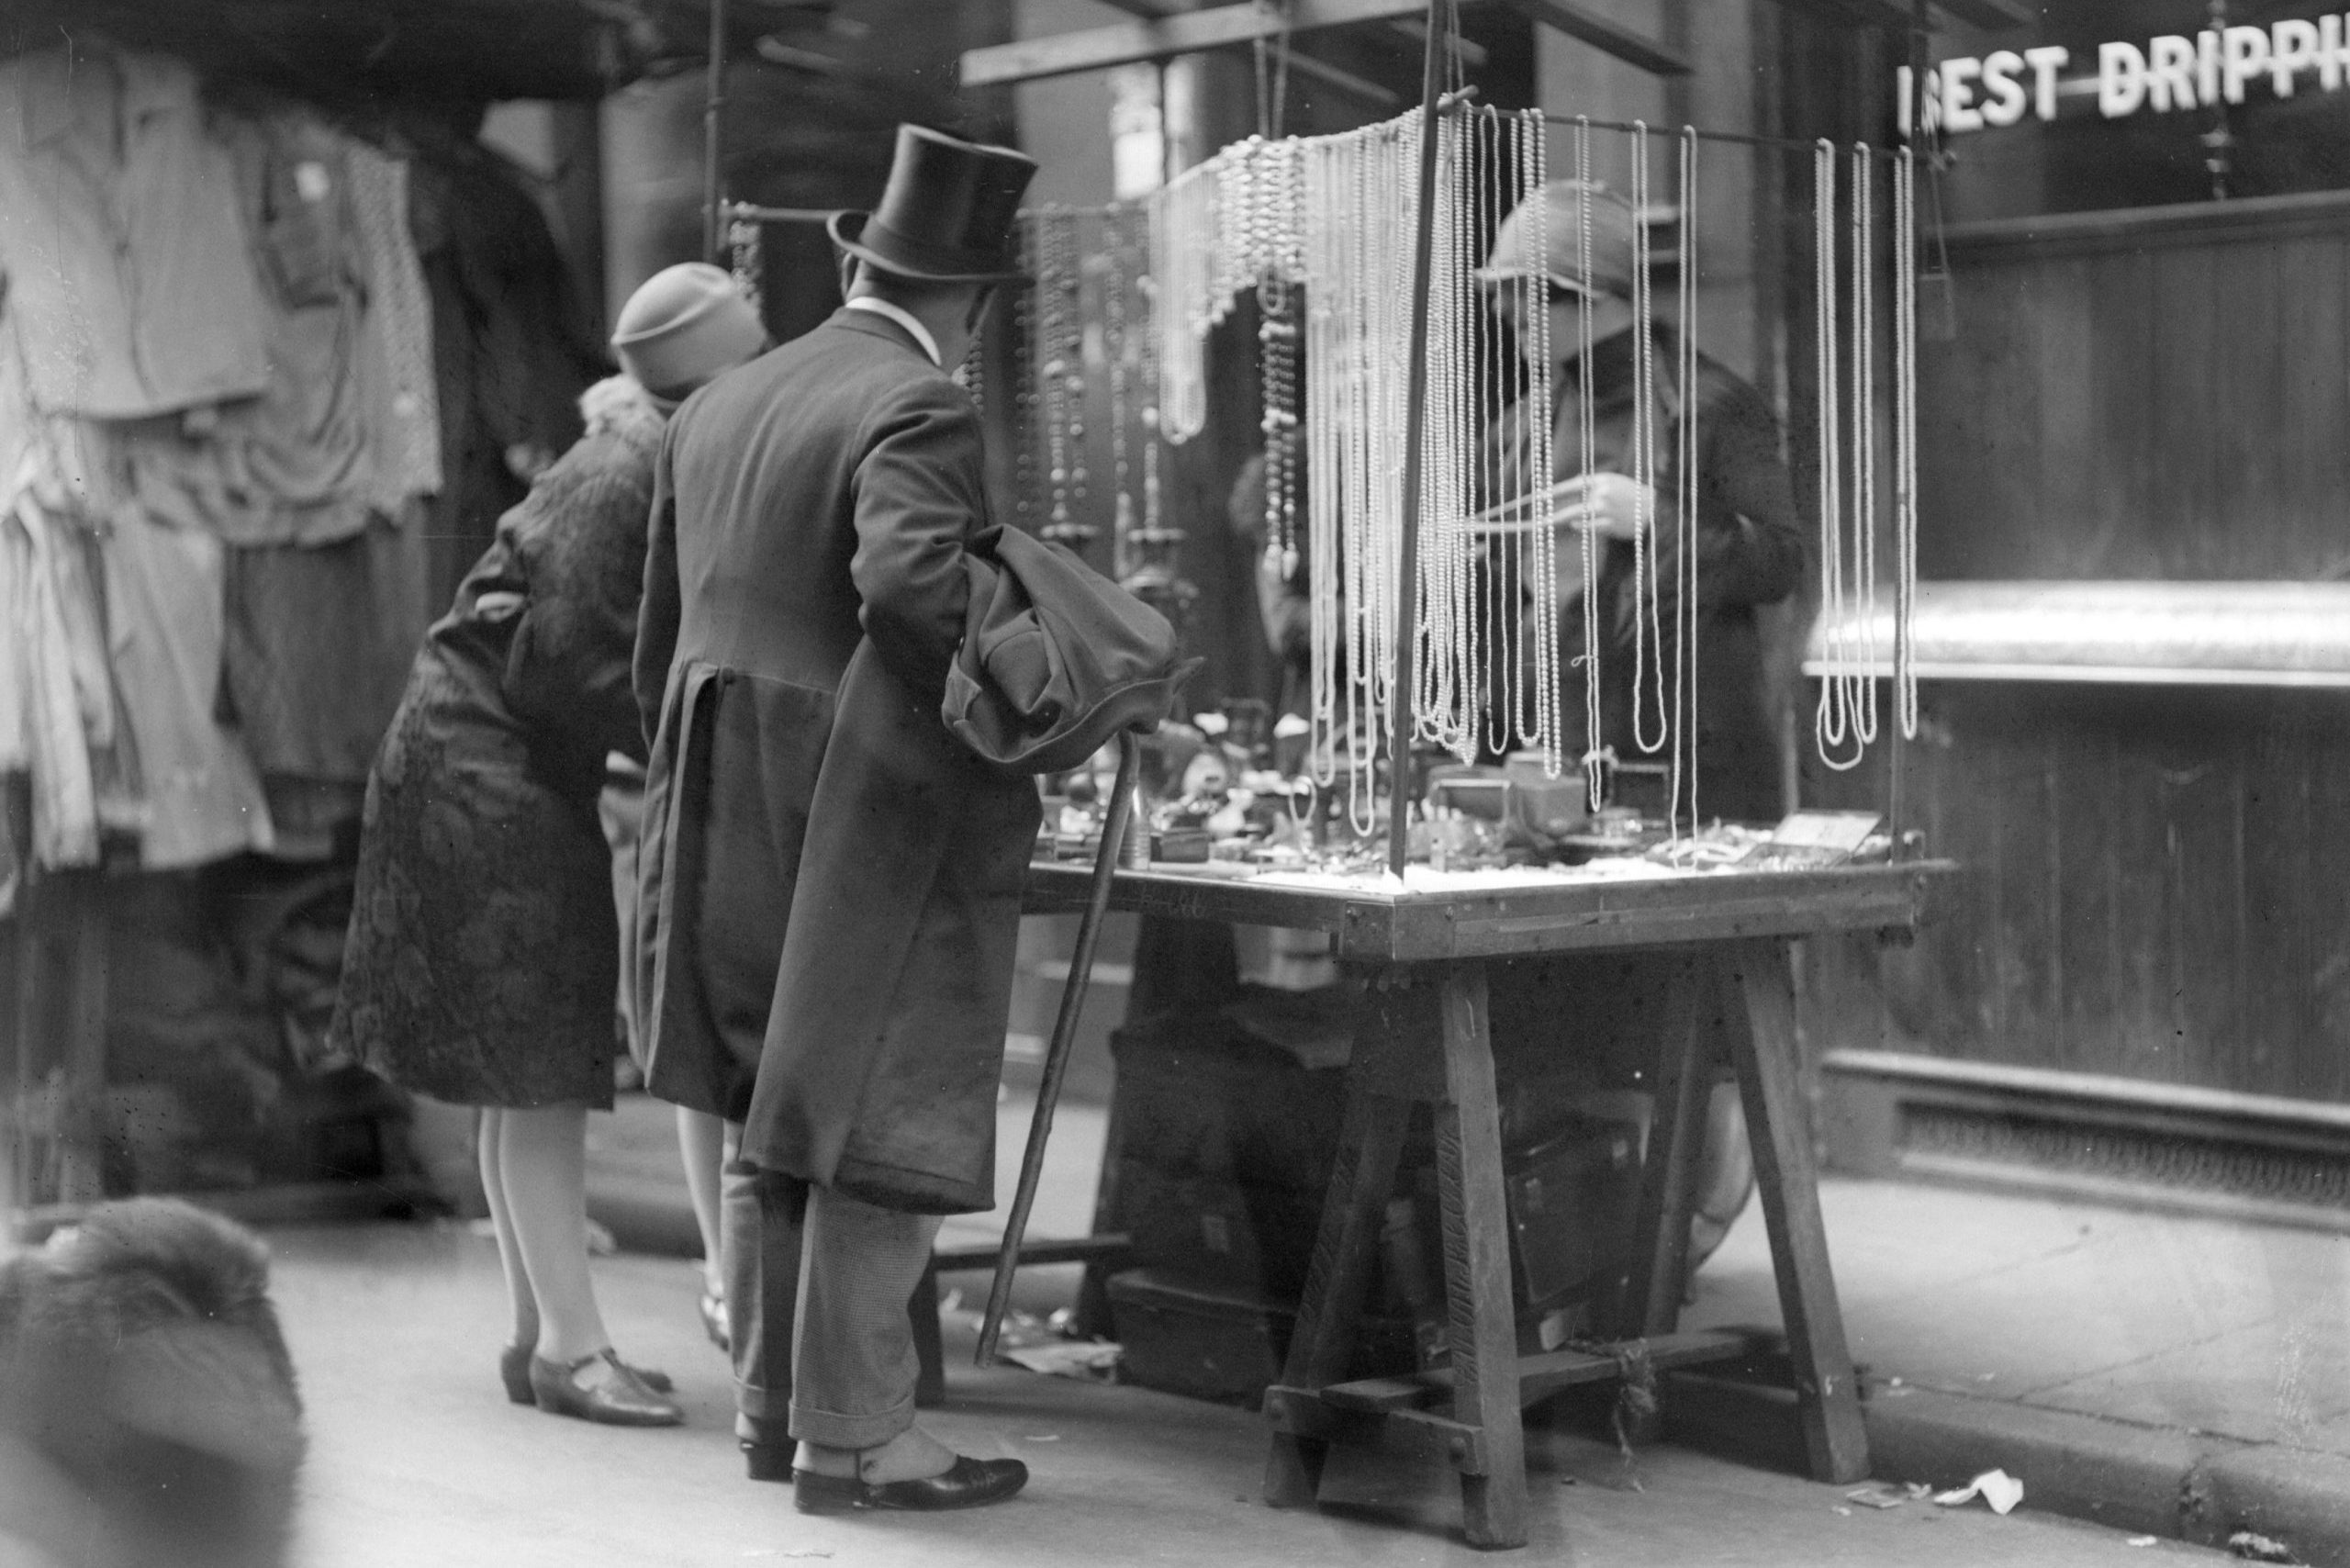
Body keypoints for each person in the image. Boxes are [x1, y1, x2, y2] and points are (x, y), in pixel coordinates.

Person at [632, 125, 1040, 1513]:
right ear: (968, 304)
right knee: (876, 1098)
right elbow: (915, 593)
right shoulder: (919, 405)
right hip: (847, 793)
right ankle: (862, 1435)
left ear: (861, 259)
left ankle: (772, 1413)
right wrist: (1018, 721)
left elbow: (659, 632)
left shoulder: (728, 397)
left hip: (715, 772)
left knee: (768, 1103)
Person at [329, 263, 766, 1426]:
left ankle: (540, 1337)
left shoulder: (623, 457)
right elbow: (571, 662)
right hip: (489, 775)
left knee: (514, 1080)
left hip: (464, 760)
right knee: (537, 1076)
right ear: (706, 381)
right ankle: (574, 1352)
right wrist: (692, 744)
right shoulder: (627, 473)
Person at [1474, 180, 1807, 1272]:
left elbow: (1777, 559)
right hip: (1567, 753)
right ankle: (1603, 1256)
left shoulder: (1712, 405)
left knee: (1697, 1013)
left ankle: (1674, 1241)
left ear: (1578, 295)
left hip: (1693, 764)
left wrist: (1651, 517)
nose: (1509, 322)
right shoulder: (1526, 419)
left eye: (1523, 299)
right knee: (1570, 1010)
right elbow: (1501, 579)